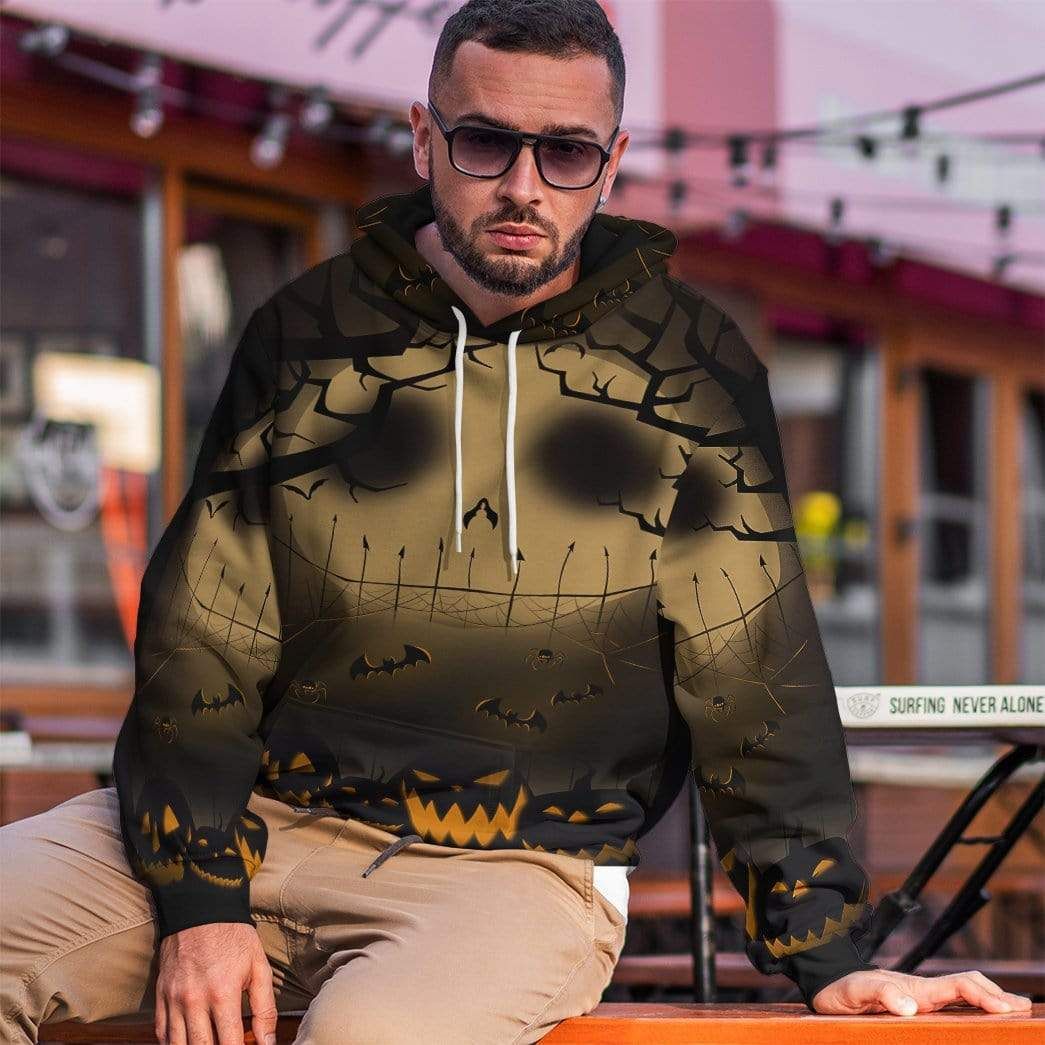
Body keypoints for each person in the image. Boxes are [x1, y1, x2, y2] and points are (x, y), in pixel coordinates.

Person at [0, 2, 1031, 1042]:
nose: (524, 187)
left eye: (566, 153)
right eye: (486, 143)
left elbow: (750, 667)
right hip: (258, 819)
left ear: (611, 161)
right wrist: (200, 900)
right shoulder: (307, 332)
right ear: (423, 139)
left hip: (521, 868)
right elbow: (203, 634)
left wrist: (829, 952)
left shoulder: (691, 368)